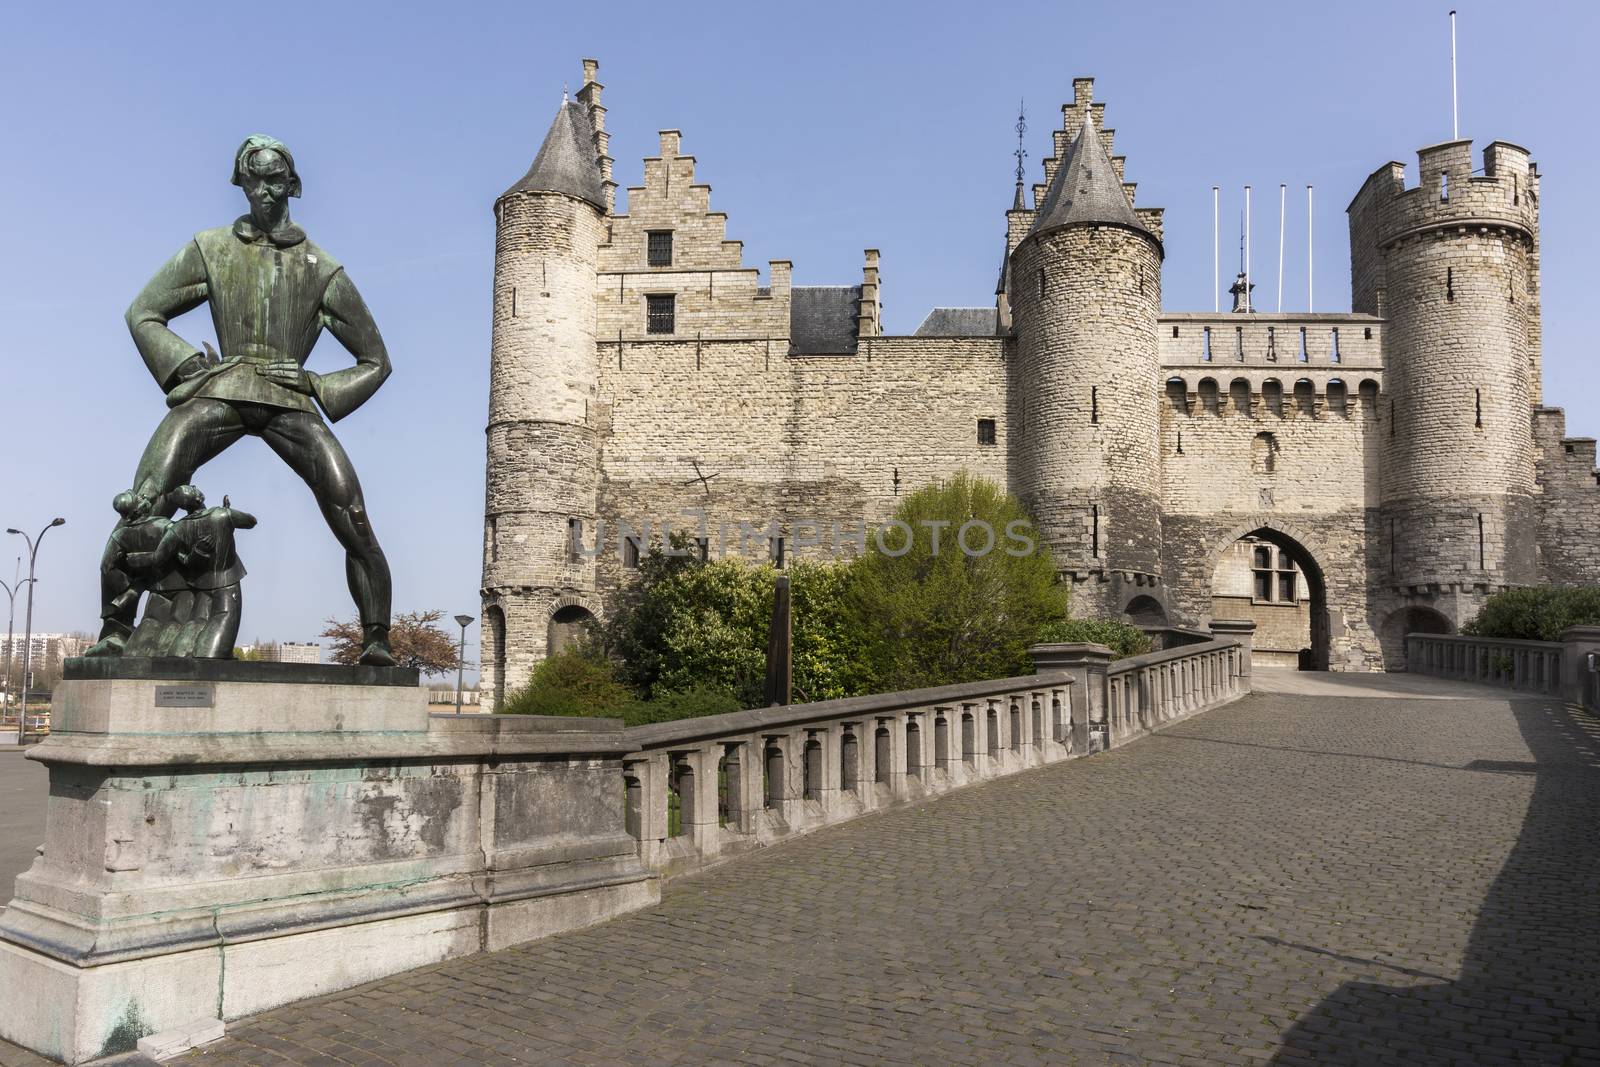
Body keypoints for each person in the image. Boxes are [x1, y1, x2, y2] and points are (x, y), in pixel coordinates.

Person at [89, 135, 395, 664]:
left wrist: (318, 385)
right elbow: (143, 312)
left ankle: (376, 640)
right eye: (255, 179)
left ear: (293, 184)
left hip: (290, 402)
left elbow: (376, 360)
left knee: (352, 512)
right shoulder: (211, 248)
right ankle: (116, 628)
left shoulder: (322, 269)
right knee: (145, 497)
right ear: (242, 183)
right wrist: (189, 367)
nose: (266, 190)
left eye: (276, 179)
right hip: (223, 392)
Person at [126, 488, 257, 659]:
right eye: (192, 488)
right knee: (214, 652)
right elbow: (251, 521)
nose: (194, 486)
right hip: (227, 586)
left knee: (188, 637)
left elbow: (158, 558)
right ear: (197, 498)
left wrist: (131, 559)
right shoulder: (221, 515)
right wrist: (228, 513)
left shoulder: (179, 528)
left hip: (201, 590)